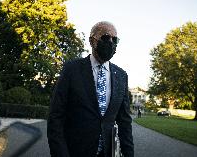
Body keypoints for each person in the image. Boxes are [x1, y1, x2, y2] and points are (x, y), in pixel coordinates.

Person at [47, 21, 134, 157]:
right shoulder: (71, 70)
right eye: (105, 38)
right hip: (75, 151)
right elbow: (55, 117)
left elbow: (124, 122)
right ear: (92, 41)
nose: (111, 43)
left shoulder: (121, 76)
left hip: (106, 153)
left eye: (115, 39)